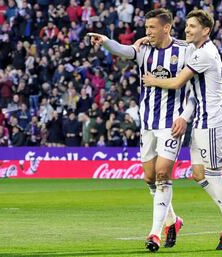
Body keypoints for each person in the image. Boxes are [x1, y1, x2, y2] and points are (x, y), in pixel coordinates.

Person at [142, 10, 222, 250]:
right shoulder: (198, 51)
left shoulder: (205, 54)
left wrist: (153, 80)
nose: (187, 30)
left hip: (212, 122)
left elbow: (177, 82)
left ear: (205, 30)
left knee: (212, 174)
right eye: (187, 26)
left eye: (192, 26)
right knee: (198, 174)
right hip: (202, 120)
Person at [87, 8, 187, 252]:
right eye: (146, 28)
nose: (147, 32)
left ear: (166, 27)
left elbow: (193, 90)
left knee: (163, 174)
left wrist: (184, 116)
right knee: (150, 178)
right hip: (148, 124)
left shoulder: (184, 51)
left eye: (152, 27)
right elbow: (124, 51)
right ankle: (173, 220)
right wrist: (105, 41)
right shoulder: (144, 50)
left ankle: (154, 233)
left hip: (171, 124)